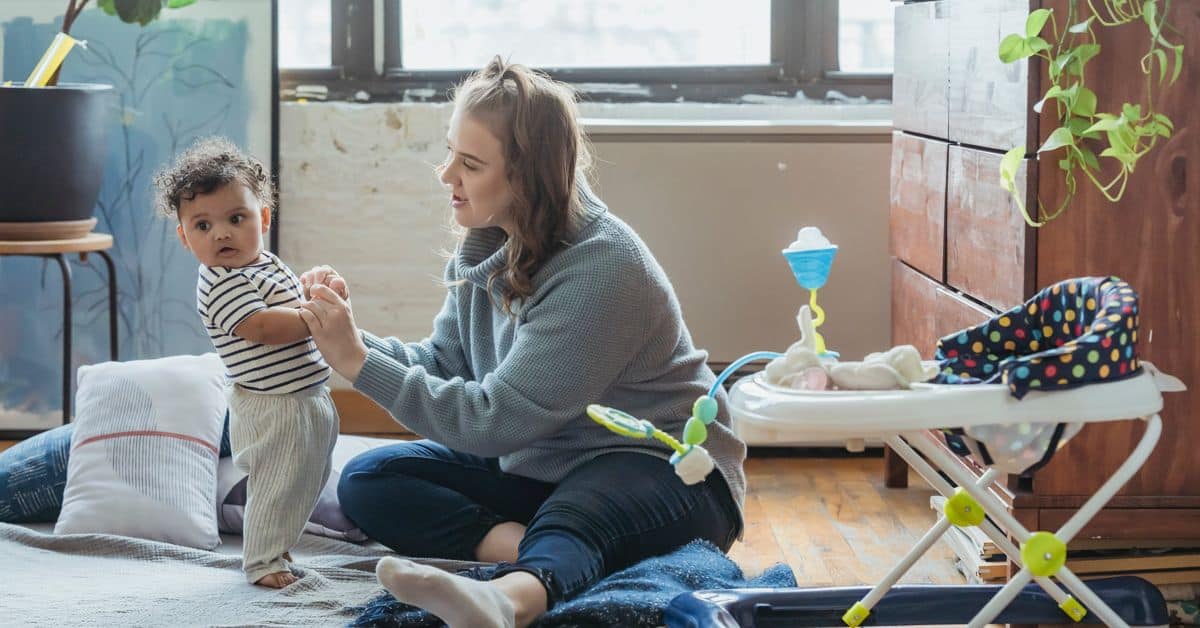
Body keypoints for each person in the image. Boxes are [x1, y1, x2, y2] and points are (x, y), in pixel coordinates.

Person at [298, 57, 746, 628]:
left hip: (668, 472)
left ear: (526, 178)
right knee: (370, 479)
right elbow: (443, 363)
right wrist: (342, 334)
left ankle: (509, 598)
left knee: (582, 509)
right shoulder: (489, 241)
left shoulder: (602, 269)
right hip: (544, 464)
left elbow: (491, 421)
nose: (445, 175)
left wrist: (356, 363)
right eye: (450, 153)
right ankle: (547, 556)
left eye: (471, 163)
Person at [154, 138, 340, 588]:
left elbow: (287, 299)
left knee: (305, 480)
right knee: (278, 483)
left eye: (236, 219)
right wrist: (317, 316)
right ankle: (262, 561)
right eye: (202, 225)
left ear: (263, 218)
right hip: (274, 406)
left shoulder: (261, 265)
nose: (221, 233)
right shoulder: (219, 282)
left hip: (307, 396)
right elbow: (262, 327)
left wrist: (315, 287)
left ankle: (280, 544)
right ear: (185, 236)